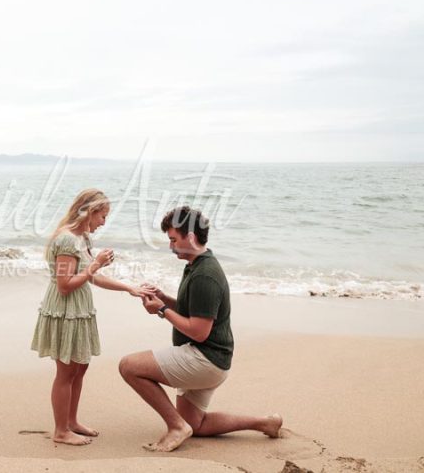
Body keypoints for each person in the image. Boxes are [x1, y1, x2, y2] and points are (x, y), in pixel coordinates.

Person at [119, 206, 282, 451]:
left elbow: (198, 331)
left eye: (174, 240)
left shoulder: (205, 275)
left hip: (205, 358)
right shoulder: (197, 265)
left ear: (191, 237)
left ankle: (176, 426)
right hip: (213, 358)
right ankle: (265, 423)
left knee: (129, 366)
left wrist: (162, 311)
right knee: (196, 425)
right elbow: (192, 312)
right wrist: (164, 299)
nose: (171, 246)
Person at [31, 188, 153, 446]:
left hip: (79, 307)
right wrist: (95, 265)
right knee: (66, 370)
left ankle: (71, 421)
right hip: (65, 308)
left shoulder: (82, 238)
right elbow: (64, 284)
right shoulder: (66, 240)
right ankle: (60, 431)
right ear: (89, 212)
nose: (104, 222)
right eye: (103, 216)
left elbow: (92, 277)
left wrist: (128, 288)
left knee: (80, 366)